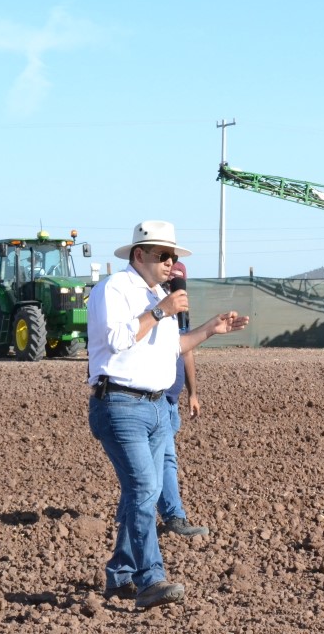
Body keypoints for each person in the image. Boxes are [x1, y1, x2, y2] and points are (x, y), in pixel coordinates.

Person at [87, 220, 249, 610]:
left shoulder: (160, 296)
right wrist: (160, 310)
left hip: (159, 406)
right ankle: (150, 581)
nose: (171, 263)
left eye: (173, 256)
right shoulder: (114, 290)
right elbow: (117, 338)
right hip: (120, 404)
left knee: (140, 493)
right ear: (139, 255)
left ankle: (120, 575)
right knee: (144, 489)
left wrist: (210, 329)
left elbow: (171, 348)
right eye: (164, 256)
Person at [157, 261, 208, 538]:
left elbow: (185, 349)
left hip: (171, 400)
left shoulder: (179, 312)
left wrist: (193, 393)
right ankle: (174, 517)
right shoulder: (154, 305)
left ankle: (134, 516)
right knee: (165, 460)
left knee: (159, 462)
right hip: (155, 397)